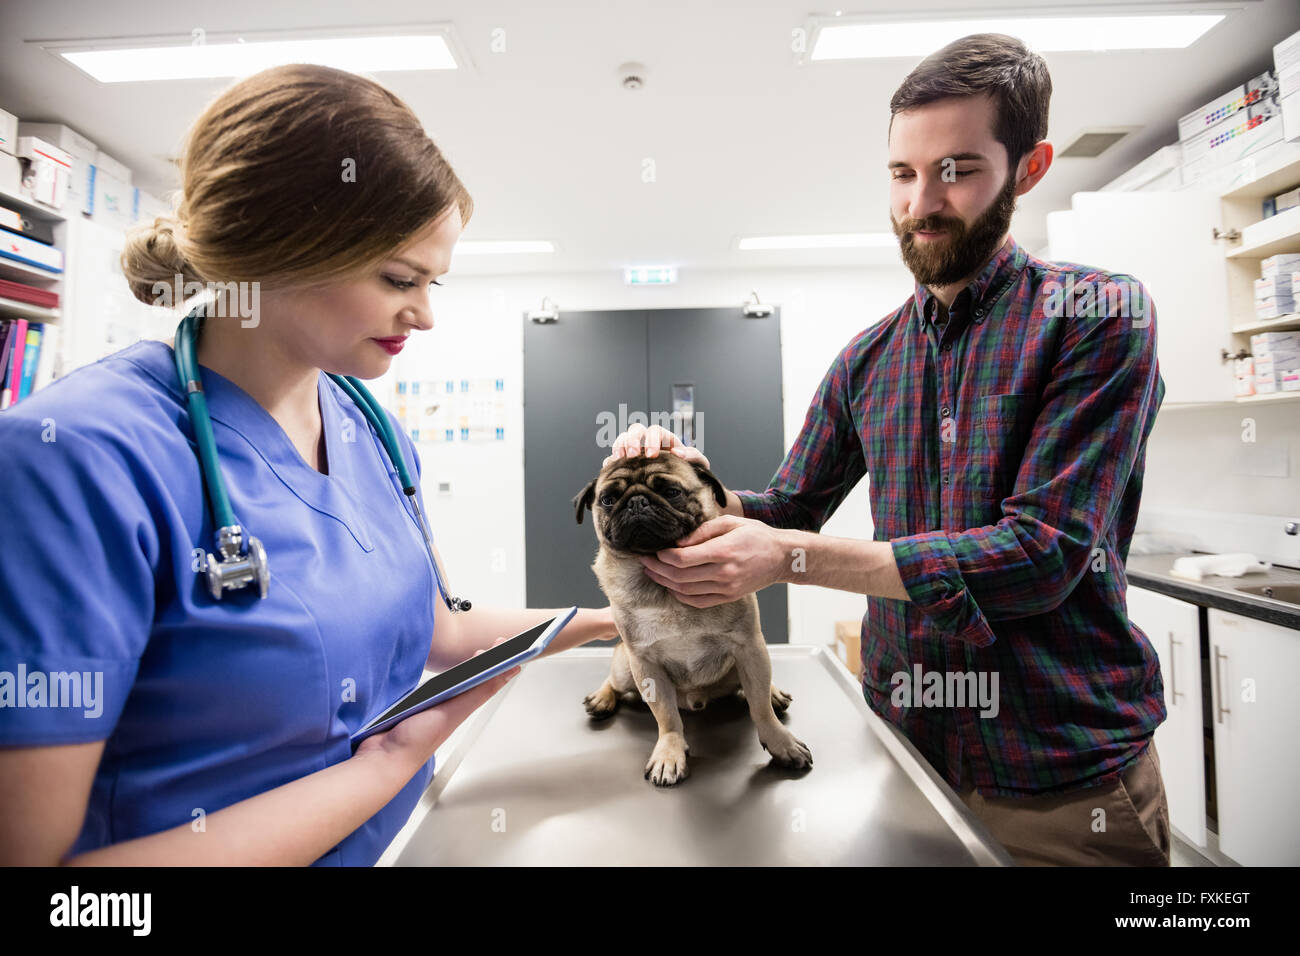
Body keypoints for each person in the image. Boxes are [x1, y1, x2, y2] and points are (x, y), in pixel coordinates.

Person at [0, 63, 617, 866]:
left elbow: (441, 631)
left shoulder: (371, 430)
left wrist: (626, 616)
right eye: (400, 279)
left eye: (433, 282)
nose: (425, 315)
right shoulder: (77, 458)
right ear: (276, 249)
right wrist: (388, 765)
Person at [608, 34, 1170, 866]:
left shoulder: (1098, 317)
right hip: (907, 744)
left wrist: (791, 557)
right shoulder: (869, 359)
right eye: (904, 174)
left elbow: (1040, 554)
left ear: (1030, 167)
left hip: (1059, 772)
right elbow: (788, 507)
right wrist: (685, 484)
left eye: (958, 170)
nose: (921, 203)